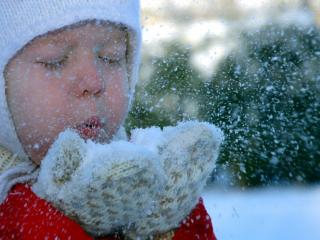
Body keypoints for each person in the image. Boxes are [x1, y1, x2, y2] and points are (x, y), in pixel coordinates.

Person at [0, 1, 218, 239]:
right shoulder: (16, 218)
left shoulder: (149, 187)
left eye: (111, 57)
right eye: (56, 61)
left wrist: (170, 223)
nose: (94, 82)